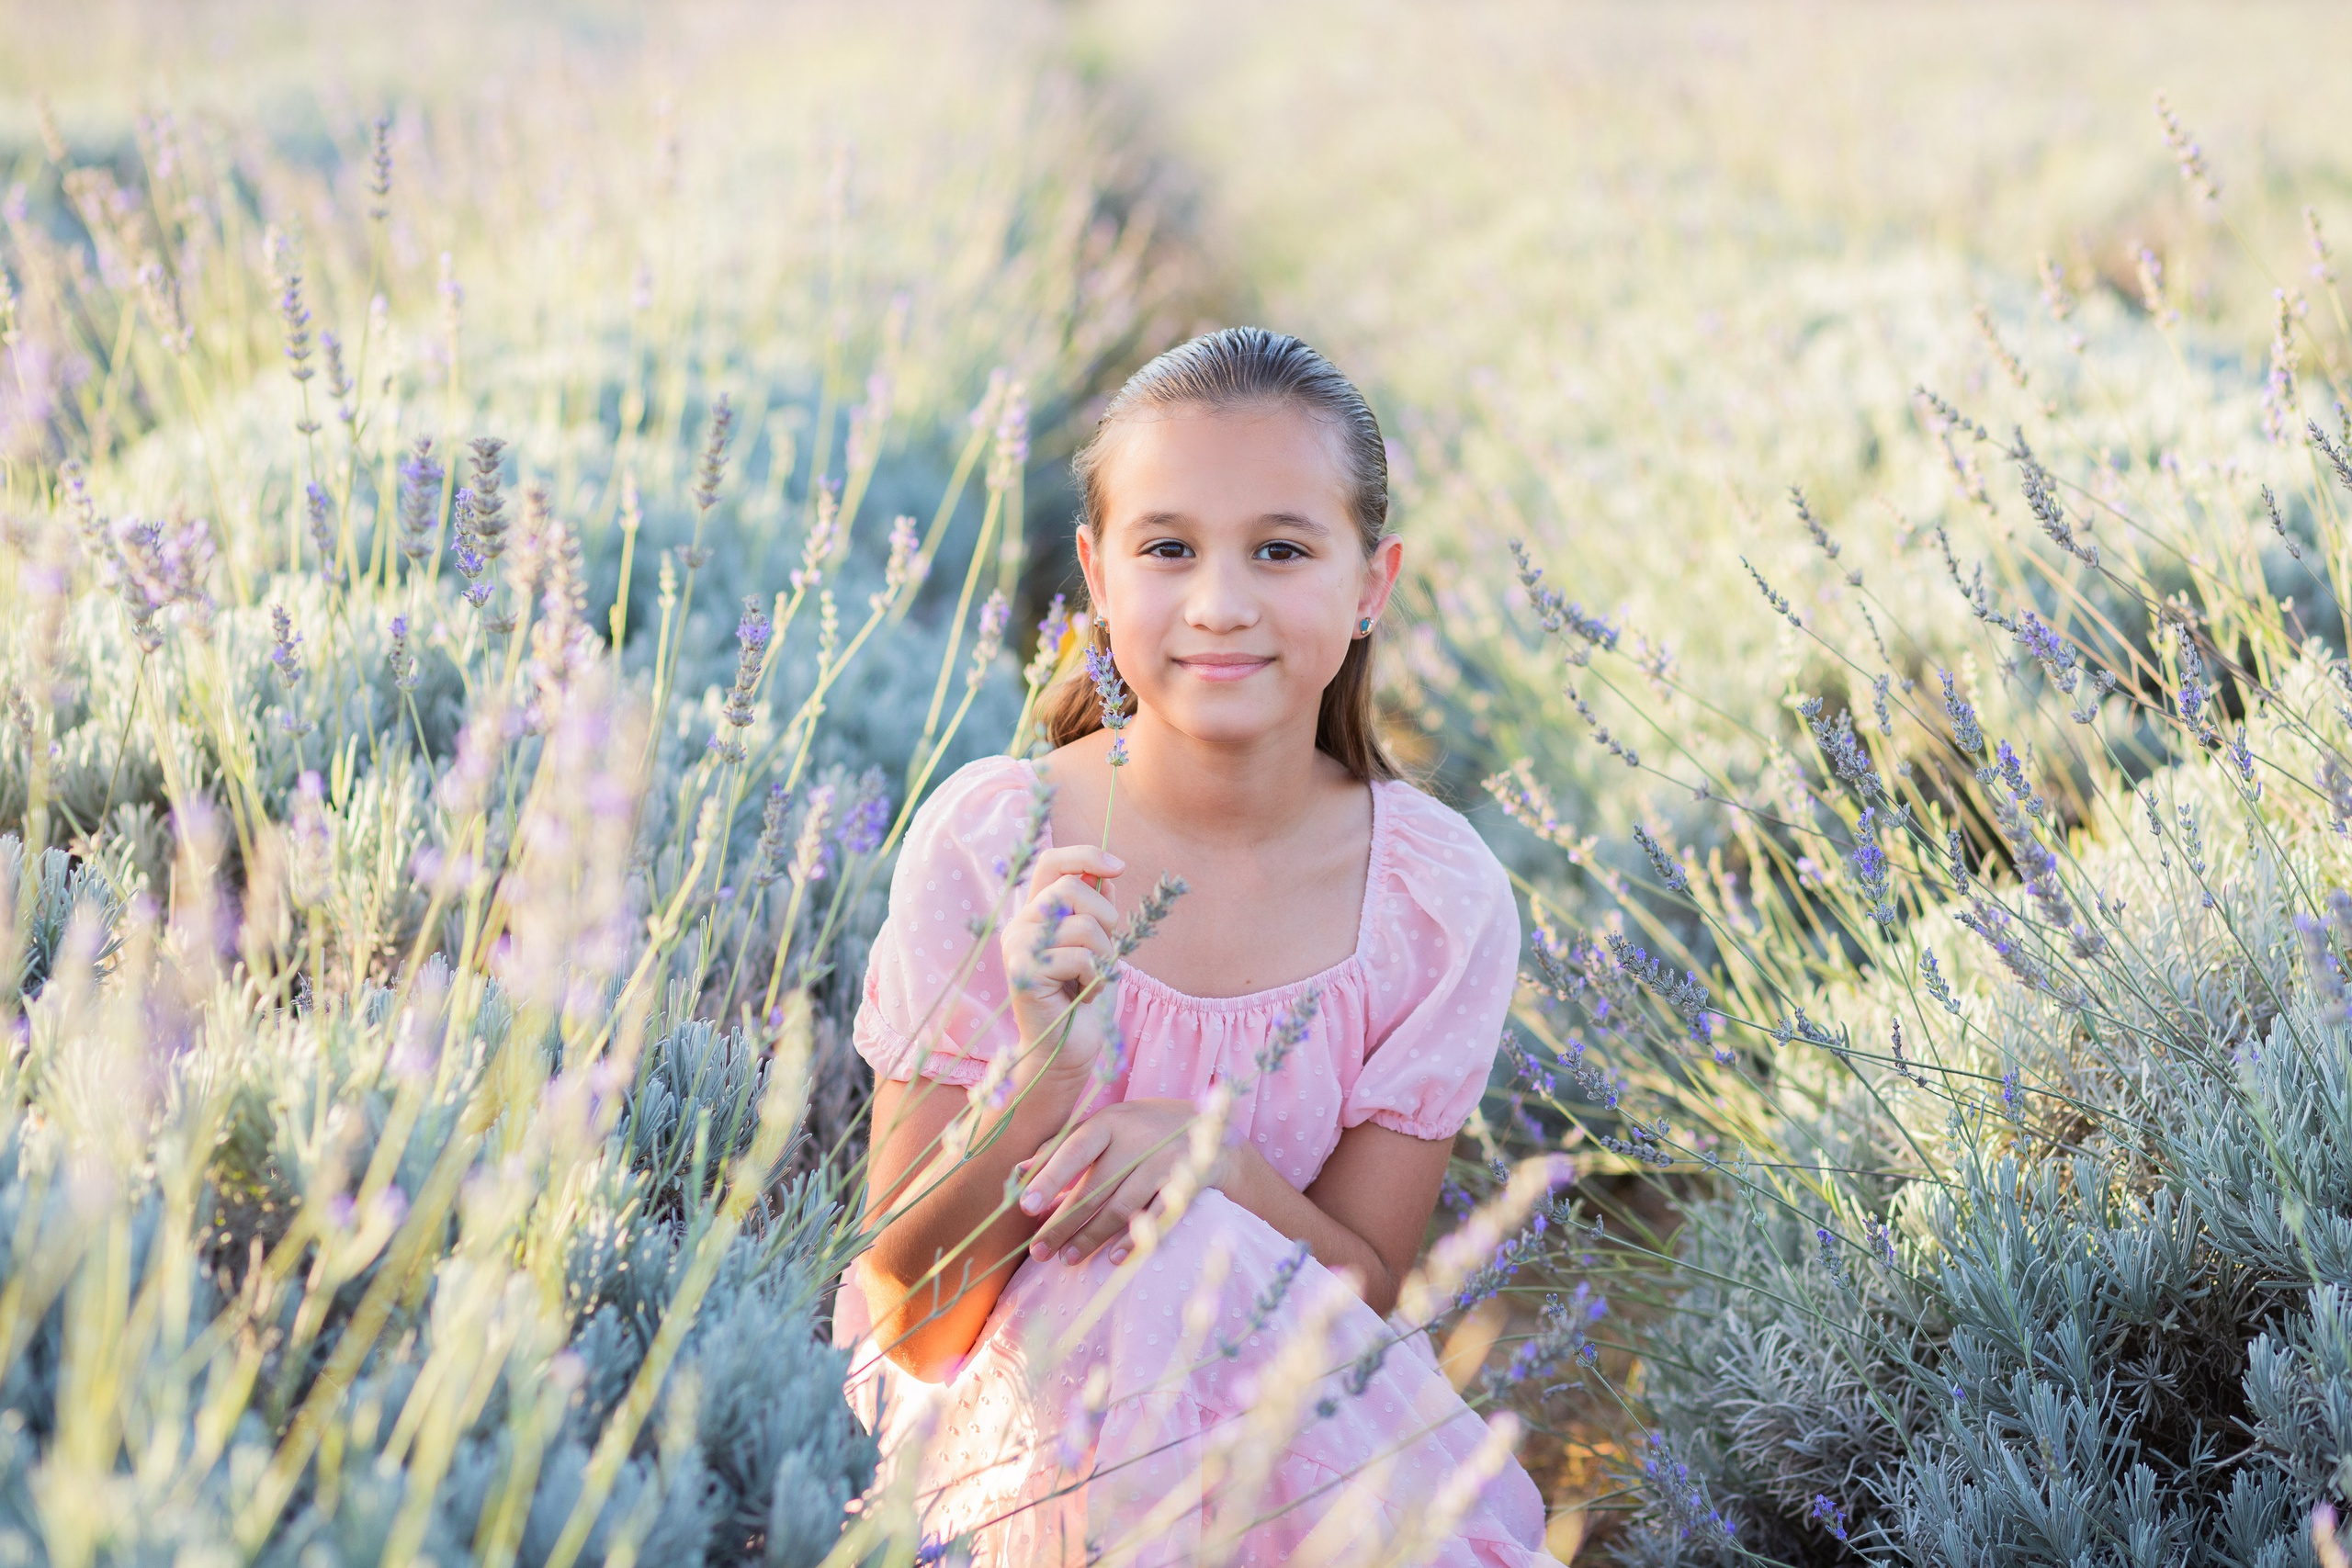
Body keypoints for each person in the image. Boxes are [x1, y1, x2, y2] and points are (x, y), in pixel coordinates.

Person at [836, 328, 1560, 1566]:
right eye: (1168, 548)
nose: (1221, 604)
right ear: (1098, 575)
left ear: (1373, 583)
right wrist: (1048, 1079)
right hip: (1021, 1479)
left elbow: (1359, 1293)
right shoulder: (994, 845)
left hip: (1288, 1470)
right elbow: (910, 1317)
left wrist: (1211, 1165)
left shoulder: (1432, 899)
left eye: (1281, 550)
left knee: (1204, 1256)